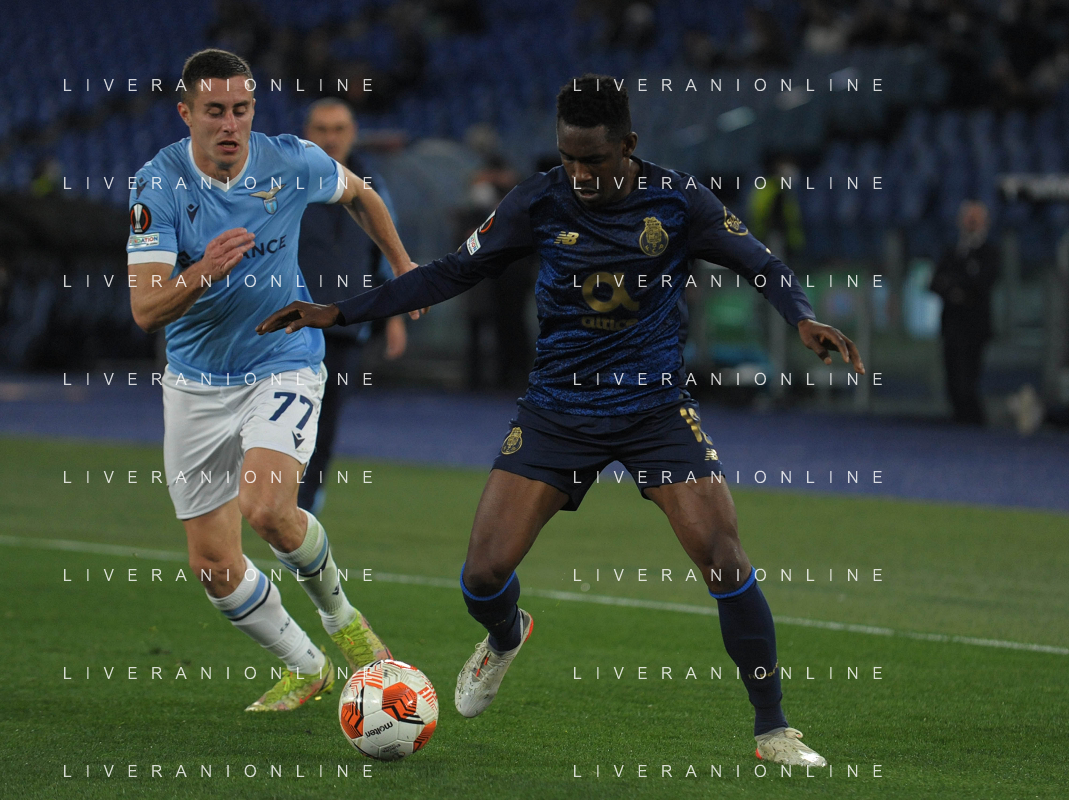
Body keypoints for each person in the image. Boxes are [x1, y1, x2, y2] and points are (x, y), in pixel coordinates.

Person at [259, 74, 865, 765]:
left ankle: (773, 730)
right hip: (557, 410)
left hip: (654, 410)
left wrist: (802, 317)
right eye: (568, 158)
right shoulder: (537, 201)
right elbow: (451, 272)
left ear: (628, 145)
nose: (579, 174)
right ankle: (506, 633)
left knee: (723, 558)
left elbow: (760, 263)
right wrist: (340, 312)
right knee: (482, 576)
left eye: (594, 160)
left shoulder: (678, 200)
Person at [126, 49, 418, 712]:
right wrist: (204, 269)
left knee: (266, 508)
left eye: (241, 109)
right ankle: (305, 666)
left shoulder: (289, 160)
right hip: (195, 381)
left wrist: (401, 264)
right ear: (186, 114)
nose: (230, 124)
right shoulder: (158, 184)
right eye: (214, 111)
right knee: (213, 566)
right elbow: (146, 308)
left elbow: (360, 194)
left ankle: (345, 622)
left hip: (282, 359)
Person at [296, 97, 407, 514]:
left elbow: (386, 252)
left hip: (347, 324)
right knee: (280, 416)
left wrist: (394, 316)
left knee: (325, 423)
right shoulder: (287, 181)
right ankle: (271, 497)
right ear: (307, 133)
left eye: (339, 129)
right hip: (289, 324)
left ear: (354, 133)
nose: (331, 138)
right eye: (322, 129)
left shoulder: (372, 184)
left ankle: (306, 506)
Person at [930, 200, 1000, 425]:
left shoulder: (990, 251)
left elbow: (982, 283)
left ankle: (974, 418)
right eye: (968, 218)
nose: (970, 223)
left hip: (975, 324)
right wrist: (956, 287)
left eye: (975, 219)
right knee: (952, 372)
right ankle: (959, 415)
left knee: (969, 374)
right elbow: (935, 282)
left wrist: (956, 285)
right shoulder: (951, 251)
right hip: (952, 323)